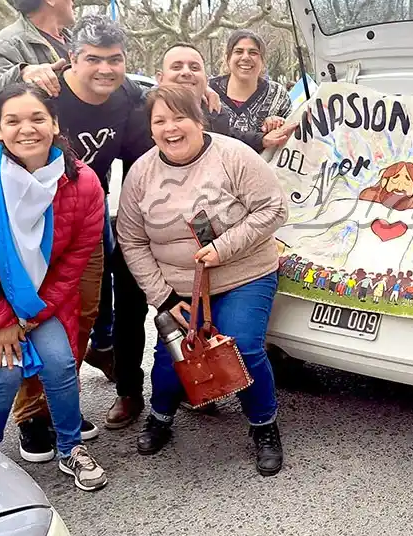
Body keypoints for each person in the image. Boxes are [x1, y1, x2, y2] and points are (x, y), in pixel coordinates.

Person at [0, 15, 153, 457]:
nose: (105, 70)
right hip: (30, 222)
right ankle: (32, 418)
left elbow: (160, 94)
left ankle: (59, 403)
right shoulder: (48, 92)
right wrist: (18, 73)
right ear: (71, 58)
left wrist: (199, 91)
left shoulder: (126, 92)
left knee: (82, 317)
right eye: (93, 59)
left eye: (115, 60)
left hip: (83, 219)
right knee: (29, 317)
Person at [0, 82, 108, 491]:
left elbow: (75, 260)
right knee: (7, 372)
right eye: (12, 121)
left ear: (54, 124)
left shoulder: (82, 182)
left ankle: (70, 448)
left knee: (61, 362)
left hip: (41, 301)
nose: (25, 129)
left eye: (37, 118)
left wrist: (33, 314)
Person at [116, 85, 288, 476]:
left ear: (199, 120)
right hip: (178, 287)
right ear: (150, 129)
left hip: (243, 273)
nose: (170, 128)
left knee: (242, 346)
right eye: (160, 121)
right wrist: (161, 298)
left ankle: (264, 425)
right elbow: (131, 239)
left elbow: (274, 209)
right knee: (172, 357)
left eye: (179, 117)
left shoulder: (233, 156)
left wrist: (223, 247)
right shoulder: (141, 174)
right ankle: (161, 417)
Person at [159, 42, 295, 151]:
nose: (186, 72)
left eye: (194, 68)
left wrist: (263, 139)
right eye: (176, 67)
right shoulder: (145, 111)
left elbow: (226, 137)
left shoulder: (215, 112)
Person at [208, 29, 294, 142]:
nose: (245, 57)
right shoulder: (208, 91)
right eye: (238, 51)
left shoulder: (277, 95)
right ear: (227, 58)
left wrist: (279, 123)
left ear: (262, 61)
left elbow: (292, 135)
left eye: (253, 53)